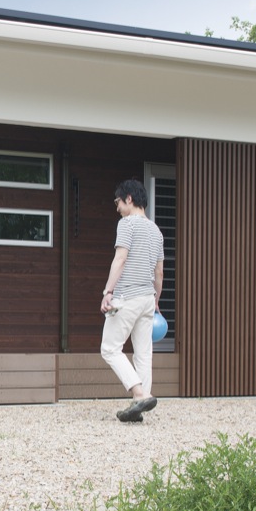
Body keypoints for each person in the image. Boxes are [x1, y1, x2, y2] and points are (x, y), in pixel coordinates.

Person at [100, 179, 165, 423]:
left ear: (129, 198)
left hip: (127, 296)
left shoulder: (126, 224)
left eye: (118, 202)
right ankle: (142, 401)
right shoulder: (156, 231)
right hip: (148, 299)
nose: (117, 208)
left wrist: (108, 291)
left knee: (109, 348)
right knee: (143, 353)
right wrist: (156, 300)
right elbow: (159, 272)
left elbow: (120, 259)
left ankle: (139, 394)